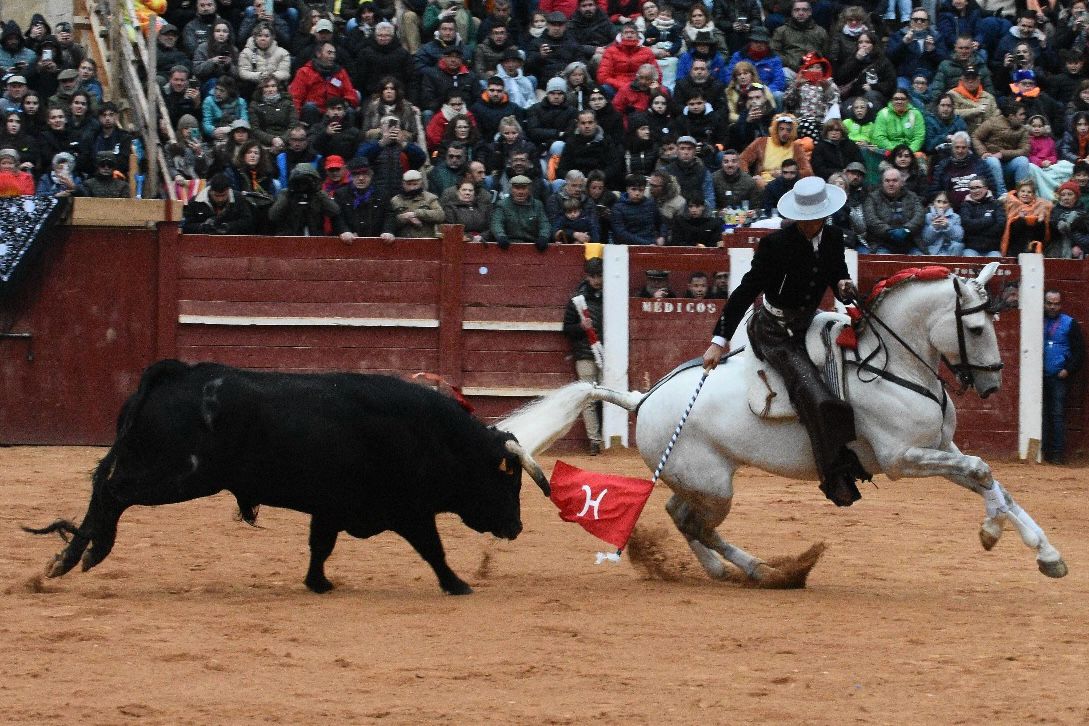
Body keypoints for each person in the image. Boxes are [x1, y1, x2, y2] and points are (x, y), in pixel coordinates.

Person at [702, 176, 865, 507]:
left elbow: (837, 274)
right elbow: (746, 291)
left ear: (823, 215)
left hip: (809, 321)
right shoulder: (775, 245)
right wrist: (719, 339)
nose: (808, 224)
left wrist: (845, 286)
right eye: (803, 219)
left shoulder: (833, 237)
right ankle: (834, 474)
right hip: (774, 331)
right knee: (816, 395)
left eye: (814, 218)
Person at [562, 256, 605, 455]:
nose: (597, 280)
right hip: (585, 354)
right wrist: (581, 327)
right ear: (587, 277)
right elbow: (567, 329)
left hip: (607, 355)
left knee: (605, 396)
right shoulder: (577, 301)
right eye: (593, 276)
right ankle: (595, 440)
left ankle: (604, 438)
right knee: (589, 398)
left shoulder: (610, 296)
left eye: (600, 276)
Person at [1042, 290, 1084, 464]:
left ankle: (1057, 455)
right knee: (1042, 415)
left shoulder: (1070, 323)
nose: (1052, 306)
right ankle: (1043, 454)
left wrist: (1068, 370)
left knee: (1057, 415)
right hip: (1039, 378)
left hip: (1058, 377)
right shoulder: (1037, 320)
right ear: (1044, 303)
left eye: (1056, 303)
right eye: (1049, 303)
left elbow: (1079, 352)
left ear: (1061, 304)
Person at [182, 172, 256, 234]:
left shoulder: (239, 198)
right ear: (210, 191)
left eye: (223, 195)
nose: (220, 199)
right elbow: (185, 226)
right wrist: (202, 227)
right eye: (217, 196)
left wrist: (230, 226)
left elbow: (248, 221)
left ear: (228, 190)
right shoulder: (195, 202)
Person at [491, 174, 550, 249]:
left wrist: (543, 237)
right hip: (509, 245)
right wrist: (501, 236)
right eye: (517, 188)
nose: (520, 192)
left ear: (529, 190)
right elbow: (496, 223)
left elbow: (544, 224)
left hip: (533, 245)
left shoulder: (538, 205)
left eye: (524, 188)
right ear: (511, 189)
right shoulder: (502, 205)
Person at [336, 157, 388, 241]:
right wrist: (344, 231)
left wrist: (387, 231)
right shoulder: (341, 194)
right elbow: (337, 216)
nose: (361, 178)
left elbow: (389, 214)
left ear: (371, 175)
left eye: (365, 174)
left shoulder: (382, 194)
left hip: (377, 242)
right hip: (349, 242)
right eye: (356, 174)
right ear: (351, 176)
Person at [385, 169, 445, 238]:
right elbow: (389, 221)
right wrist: (405, 217)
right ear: (403, 184)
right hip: (402, 242)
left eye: (415, 184)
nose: (412, 188)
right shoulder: (395, 200)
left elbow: (440, 215)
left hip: (426, 241)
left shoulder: (430, 198)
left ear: (421, 183)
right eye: (409, 184)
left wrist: (417, 213)